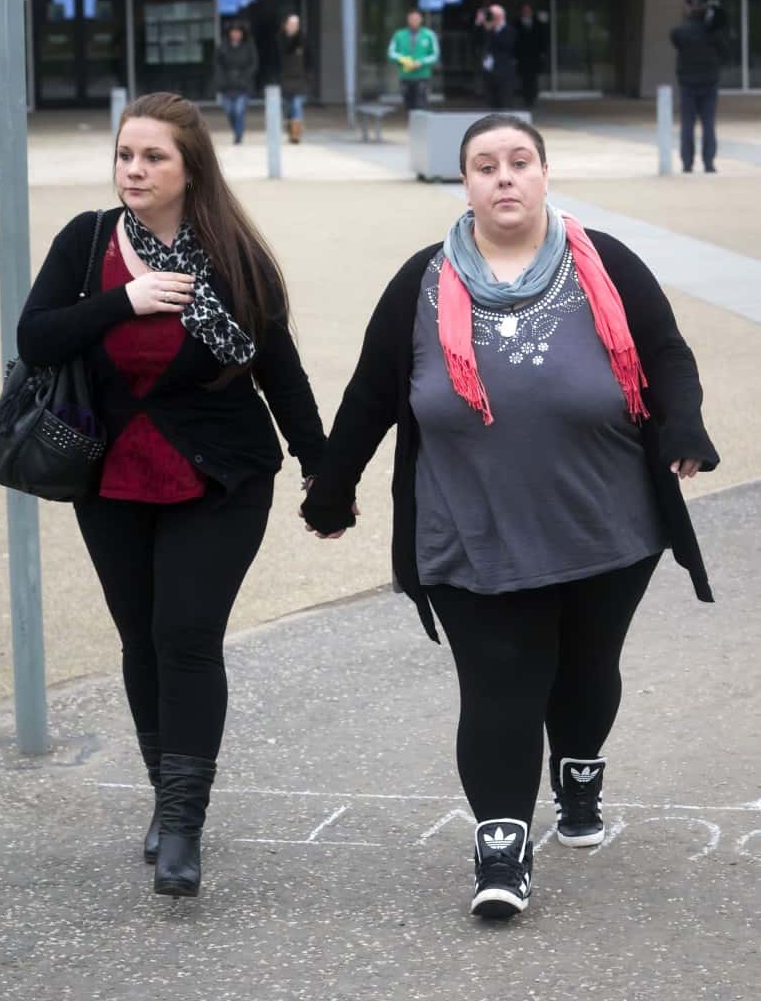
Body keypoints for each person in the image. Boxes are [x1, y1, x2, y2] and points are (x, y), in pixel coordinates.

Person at [301, 114, 719, 921]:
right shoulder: (422, 281)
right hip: (470, 529)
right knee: (500, 683)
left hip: (606, 524)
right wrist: (332, 488)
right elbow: (370, 395)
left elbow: (666, 354)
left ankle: (580, 768)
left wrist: (684, 427)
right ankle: (502, 852)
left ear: (544, 173)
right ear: (464, 183)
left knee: (585, 670)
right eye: (485, 164)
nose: (504, 177)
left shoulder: (608, 263)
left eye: (519, 161)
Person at [17, 92, 325, 899]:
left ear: (191, 168)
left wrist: (325, 473)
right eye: (125, 155)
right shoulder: (87, 242)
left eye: (152, 157)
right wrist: (123, 300)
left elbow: (280, 374)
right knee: (139, 640)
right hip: (110, 476)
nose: (134, 170)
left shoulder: (232, 257)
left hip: (218, 476)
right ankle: (164, 797)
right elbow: (34, 335)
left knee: (185, 634)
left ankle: (183, 824)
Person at [670, 0, 729, 173]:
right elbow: (724, 52)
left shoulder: (680, 31)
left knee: (687, 125)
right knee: (708, 124)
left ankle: (687, 164)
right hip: (709, 82)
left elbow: (676, 39)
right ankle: (709, 163)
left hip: (687, 83)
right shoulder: (714, 33)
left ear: (687, 7)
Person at [387, 9, 440, 112]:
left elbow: (435, 54)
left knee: (421, 102)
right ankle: (412, 124)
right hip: (405, 75)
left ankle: (420, 125)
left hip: (422, 75)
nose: (414, 21)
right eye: (412, 19)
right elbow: (391, 53)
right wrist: (404, 60)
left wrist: (421, 62)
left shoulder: (429, 35)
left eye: (416, 18)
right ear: (408, 20)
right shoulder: (399, 34)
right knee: (408, 102)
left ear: (421, 20)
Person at [214, 22, 259, 145]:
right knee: (229, 111)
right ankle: (237, 131)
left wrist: (244, 77)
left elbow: (253, 63)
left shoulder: (248, 46)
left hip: (243, 85)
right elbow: (217, 64)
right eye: (233, 31)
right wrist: (223, 79)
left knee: (239, 110)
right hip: (227, 86)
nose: (235, 34)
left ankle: (238, 136)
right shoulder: (223, 46)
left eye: (238, 32)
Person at [474, 5, 517, 109]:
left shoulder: (509, 30)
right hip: (489, 70)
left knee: (504, 100)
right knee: (490, 101)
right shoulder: (488, 29)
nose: (489, 18)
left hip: (503, 71)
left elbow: (506, 45)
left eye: (491, 15)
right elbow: (476, 40)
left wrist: (491, 29)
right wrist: (479, 23)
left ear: (499, 16)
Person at [279, 14, 311, 143]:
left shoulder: (303, 40)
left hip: (299, 80)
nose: (294, 27)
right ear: (286, 25)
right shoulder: (280, 40)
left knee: (297, 105)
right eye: (291, 24)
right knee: (287, 108)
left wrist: (309, 77)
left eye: (296, 24)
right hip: (284, 80)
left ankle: (296, 135)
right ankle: (290, 131)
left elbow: (310, 60)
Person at [514, 3, 547, 109]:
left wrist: (542, 53)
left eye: (528, 10)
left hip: (534, 57)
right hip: (522, 57)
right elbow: (514, 42)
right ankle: (525, 98)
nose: (526, 12)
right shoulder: (516, 24)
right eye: (525, 10)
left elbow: (542, 40)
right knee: (524, 79)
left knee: (533, 79)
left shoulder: (538, 24)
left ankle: (532, 98)